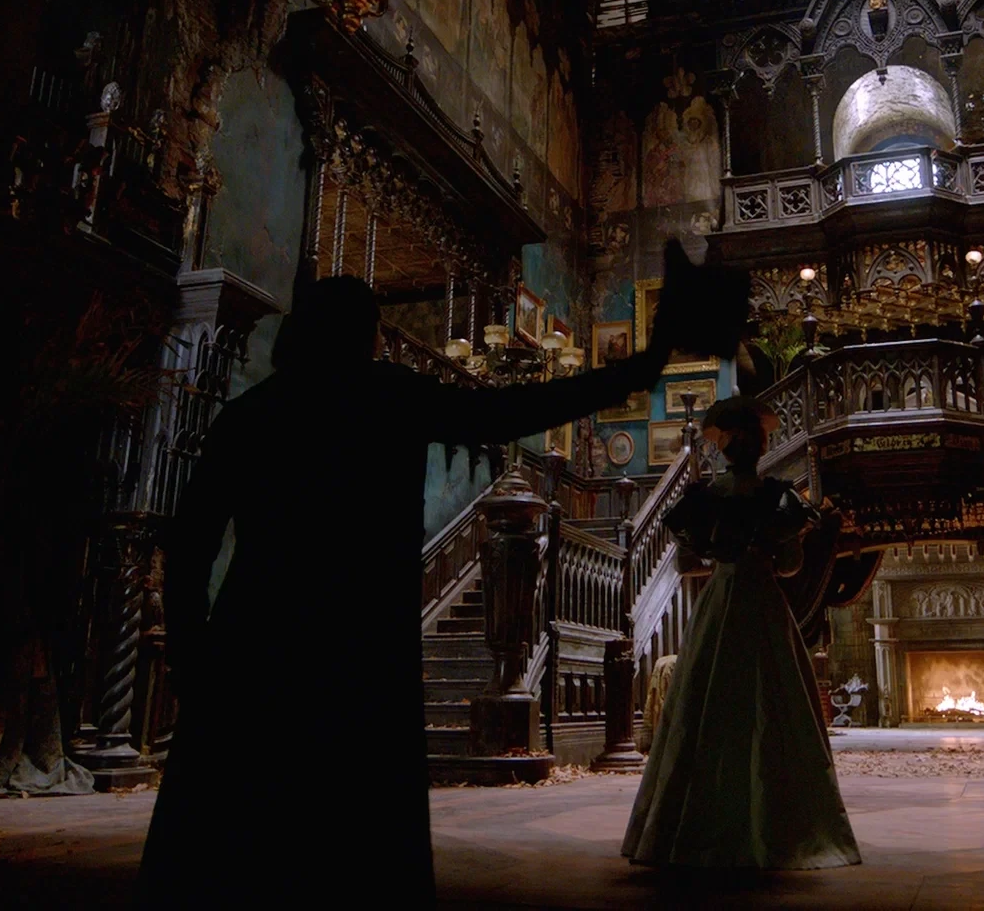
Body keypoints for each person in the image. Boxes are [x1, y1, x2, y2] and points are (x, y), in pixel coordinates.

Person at [139, 248, 737, 907]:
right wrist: (638, 369)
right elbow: (512, 411)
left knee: (235, 837)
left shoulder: (251, 414)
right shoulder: (387, 396)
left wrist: (190, 654)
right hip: (358, 639)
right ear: (363, 335)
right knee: (355, 842)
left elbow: (191, 542)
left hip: (257, 636)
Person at [621, 396, 862, 870]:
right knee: (774, 700)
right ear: (762, 446)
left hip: (720, 600)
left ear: (723, 448)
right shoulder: (778, 498)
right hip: (763, 602)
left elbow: (688, 561)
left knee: (705, 702)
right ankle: (778, 829)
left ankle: (690, 827)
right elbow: (790, 566)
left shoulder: (704, 499)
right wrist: (772, 549)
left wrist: (723, 553)